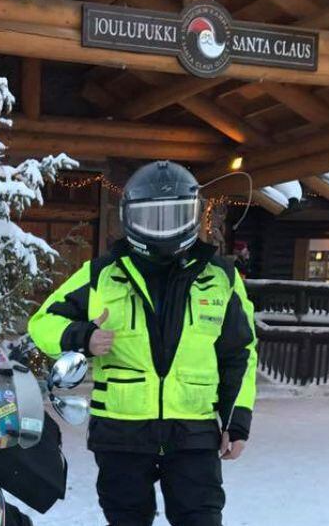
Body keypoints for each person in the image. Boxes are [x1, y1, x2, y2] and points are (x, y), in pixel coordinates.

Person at [28, 161, 257, 526]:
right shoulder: (103, 274)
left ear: (193, 215)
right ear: (129, 218)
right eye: (152, 218)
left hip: (193, 433)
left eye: (174, 216)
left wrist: (237, 421)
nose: (163, 228)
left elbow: (239, 354)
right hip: (120, 431)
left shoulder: (221, 278)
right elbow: (41, 323)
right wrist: (81, 336)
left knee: (201, 519)